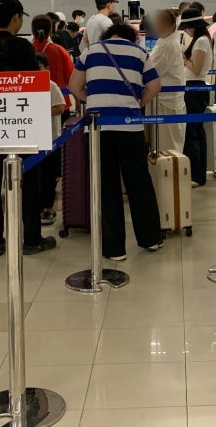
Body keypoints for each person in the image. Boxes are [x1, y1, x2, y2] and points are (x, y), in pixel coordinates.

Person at [69, 23, 164, 260]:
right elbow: (155, 85)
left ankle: (114, 249)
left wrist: (92, 101)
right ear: (131, 37)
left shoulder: (90, 52)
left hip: (99, 127)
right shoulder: (139, 53)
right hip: (130, 126)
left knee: (106, 187)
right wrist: (139, 103)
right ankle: (150, 238)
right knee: (139, 182)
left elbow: (74, 86)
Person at [0, 0, 56, 257]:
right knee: (28, 182)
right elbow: (32, 86)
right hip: (21, 125)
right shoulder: (22, 47)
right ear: (16, 18)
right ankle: (31, 239)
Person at [179, 8, 213, 187]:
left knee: (192, 132)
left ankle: (196, 175)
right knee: (196, 132)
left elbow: (196, 69)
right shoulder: (203, 40)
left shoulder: (200, 42)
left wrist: (184, 58)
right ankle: (198, 174)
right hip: (196, 88)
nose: (186, 31)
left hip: (194, 88)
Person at [34, 52, 66, 226]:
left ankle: (48, 207)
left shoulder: (51, 86)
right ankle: (35, 207)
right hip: (32, 139)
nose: (36, 71)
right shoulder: (27, 85)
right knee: (34, 175)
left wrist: (39, 111)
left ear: (47, 68)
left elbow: (60, 107)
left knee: (48, 175)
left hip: (50, 139)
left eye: (39, 67)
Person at [148, 9, 186, 153]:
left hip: (166, 102)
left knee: (167, 147)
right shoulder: (166, 41)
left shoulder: (167, 44)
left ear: (171, 26)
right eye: (157, 23)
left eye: (161, 24)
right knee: (165, 144)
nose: (158, 27)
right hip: (167, 101)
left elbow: (153, 71)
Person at [31, 15, 74, 118]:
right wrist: (77, 100)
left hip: (33, 103)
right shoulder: (59, 50)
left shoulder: (27, 50)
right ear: (51, 31)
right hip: (59, 102)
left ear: (32, 31)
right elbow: (71, 78)